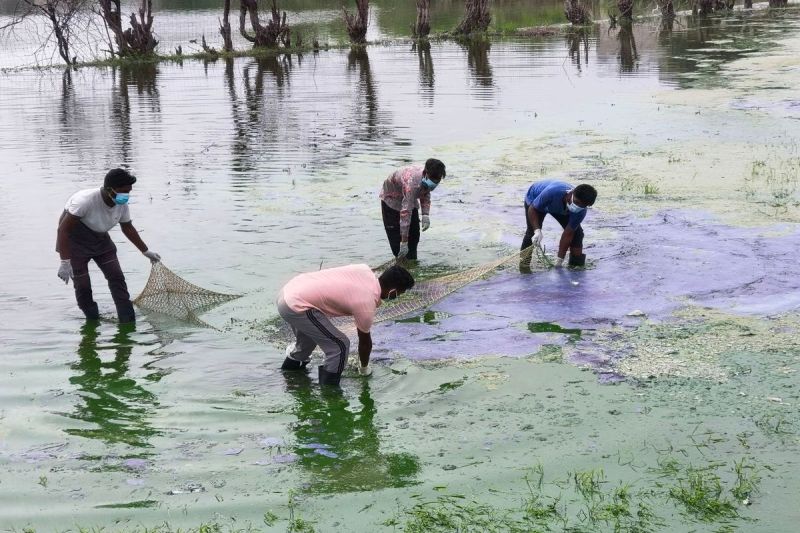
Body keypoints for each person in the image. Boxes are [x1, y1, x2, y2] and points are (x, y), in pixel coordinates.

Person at [276, 264, 415, 386]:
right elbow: (365, 342)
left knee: (308, 341)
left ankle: (288, 375)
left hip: (289, 292)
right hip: (298, 304)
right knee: (340, 346)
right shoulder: (366, 303)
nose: (398, 296)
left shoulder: (364, 269)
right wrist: (364, 369)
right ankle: (330, 393)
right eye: (400, 293)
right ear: (393, 291)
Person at [56, 168, 161, 323]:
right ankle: (92, 320)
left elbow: (127, 228)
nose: (126, 195)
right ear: (108, 189)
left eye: (129, 192)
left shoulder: (122, 205)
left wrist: (146, 251)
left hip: (101, 241)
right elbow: (63, 230)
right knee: (83, 286)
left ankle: (127, 320)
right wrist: (65, 262)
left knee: (117, 277)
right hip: (75, 243)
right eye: (123, 191)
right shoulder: (84, 201)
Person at [380, 158, 446, 261]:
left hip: (408, 196)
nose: (434, 183)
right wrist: (404, 241)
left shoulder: (426, 180)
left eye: (437, 181)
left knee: (414, 235)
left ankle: (412, 261)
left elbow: (425, 193)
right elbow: (406, 212)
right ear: (425, 173)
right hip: (391, 199)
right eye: (432, 180)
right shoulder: (412, 183)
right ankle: (401, 263)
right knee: (398, 242)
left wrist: (425, 214)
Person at [520, 180, 597, 268]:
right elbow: (533, 209)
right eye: (577, 202)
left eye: (583, 206)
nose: (578, 207)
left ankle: (575, 267)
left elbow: (568, 234)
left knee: (577, 234)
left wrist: (559, 260)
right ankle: (523, 266)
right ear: (571, 194)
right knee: (531, 234)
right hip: (536, 200)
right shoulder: (552, 192)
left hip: (560, 208)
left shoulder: (580, 212)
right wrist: (537, 230)